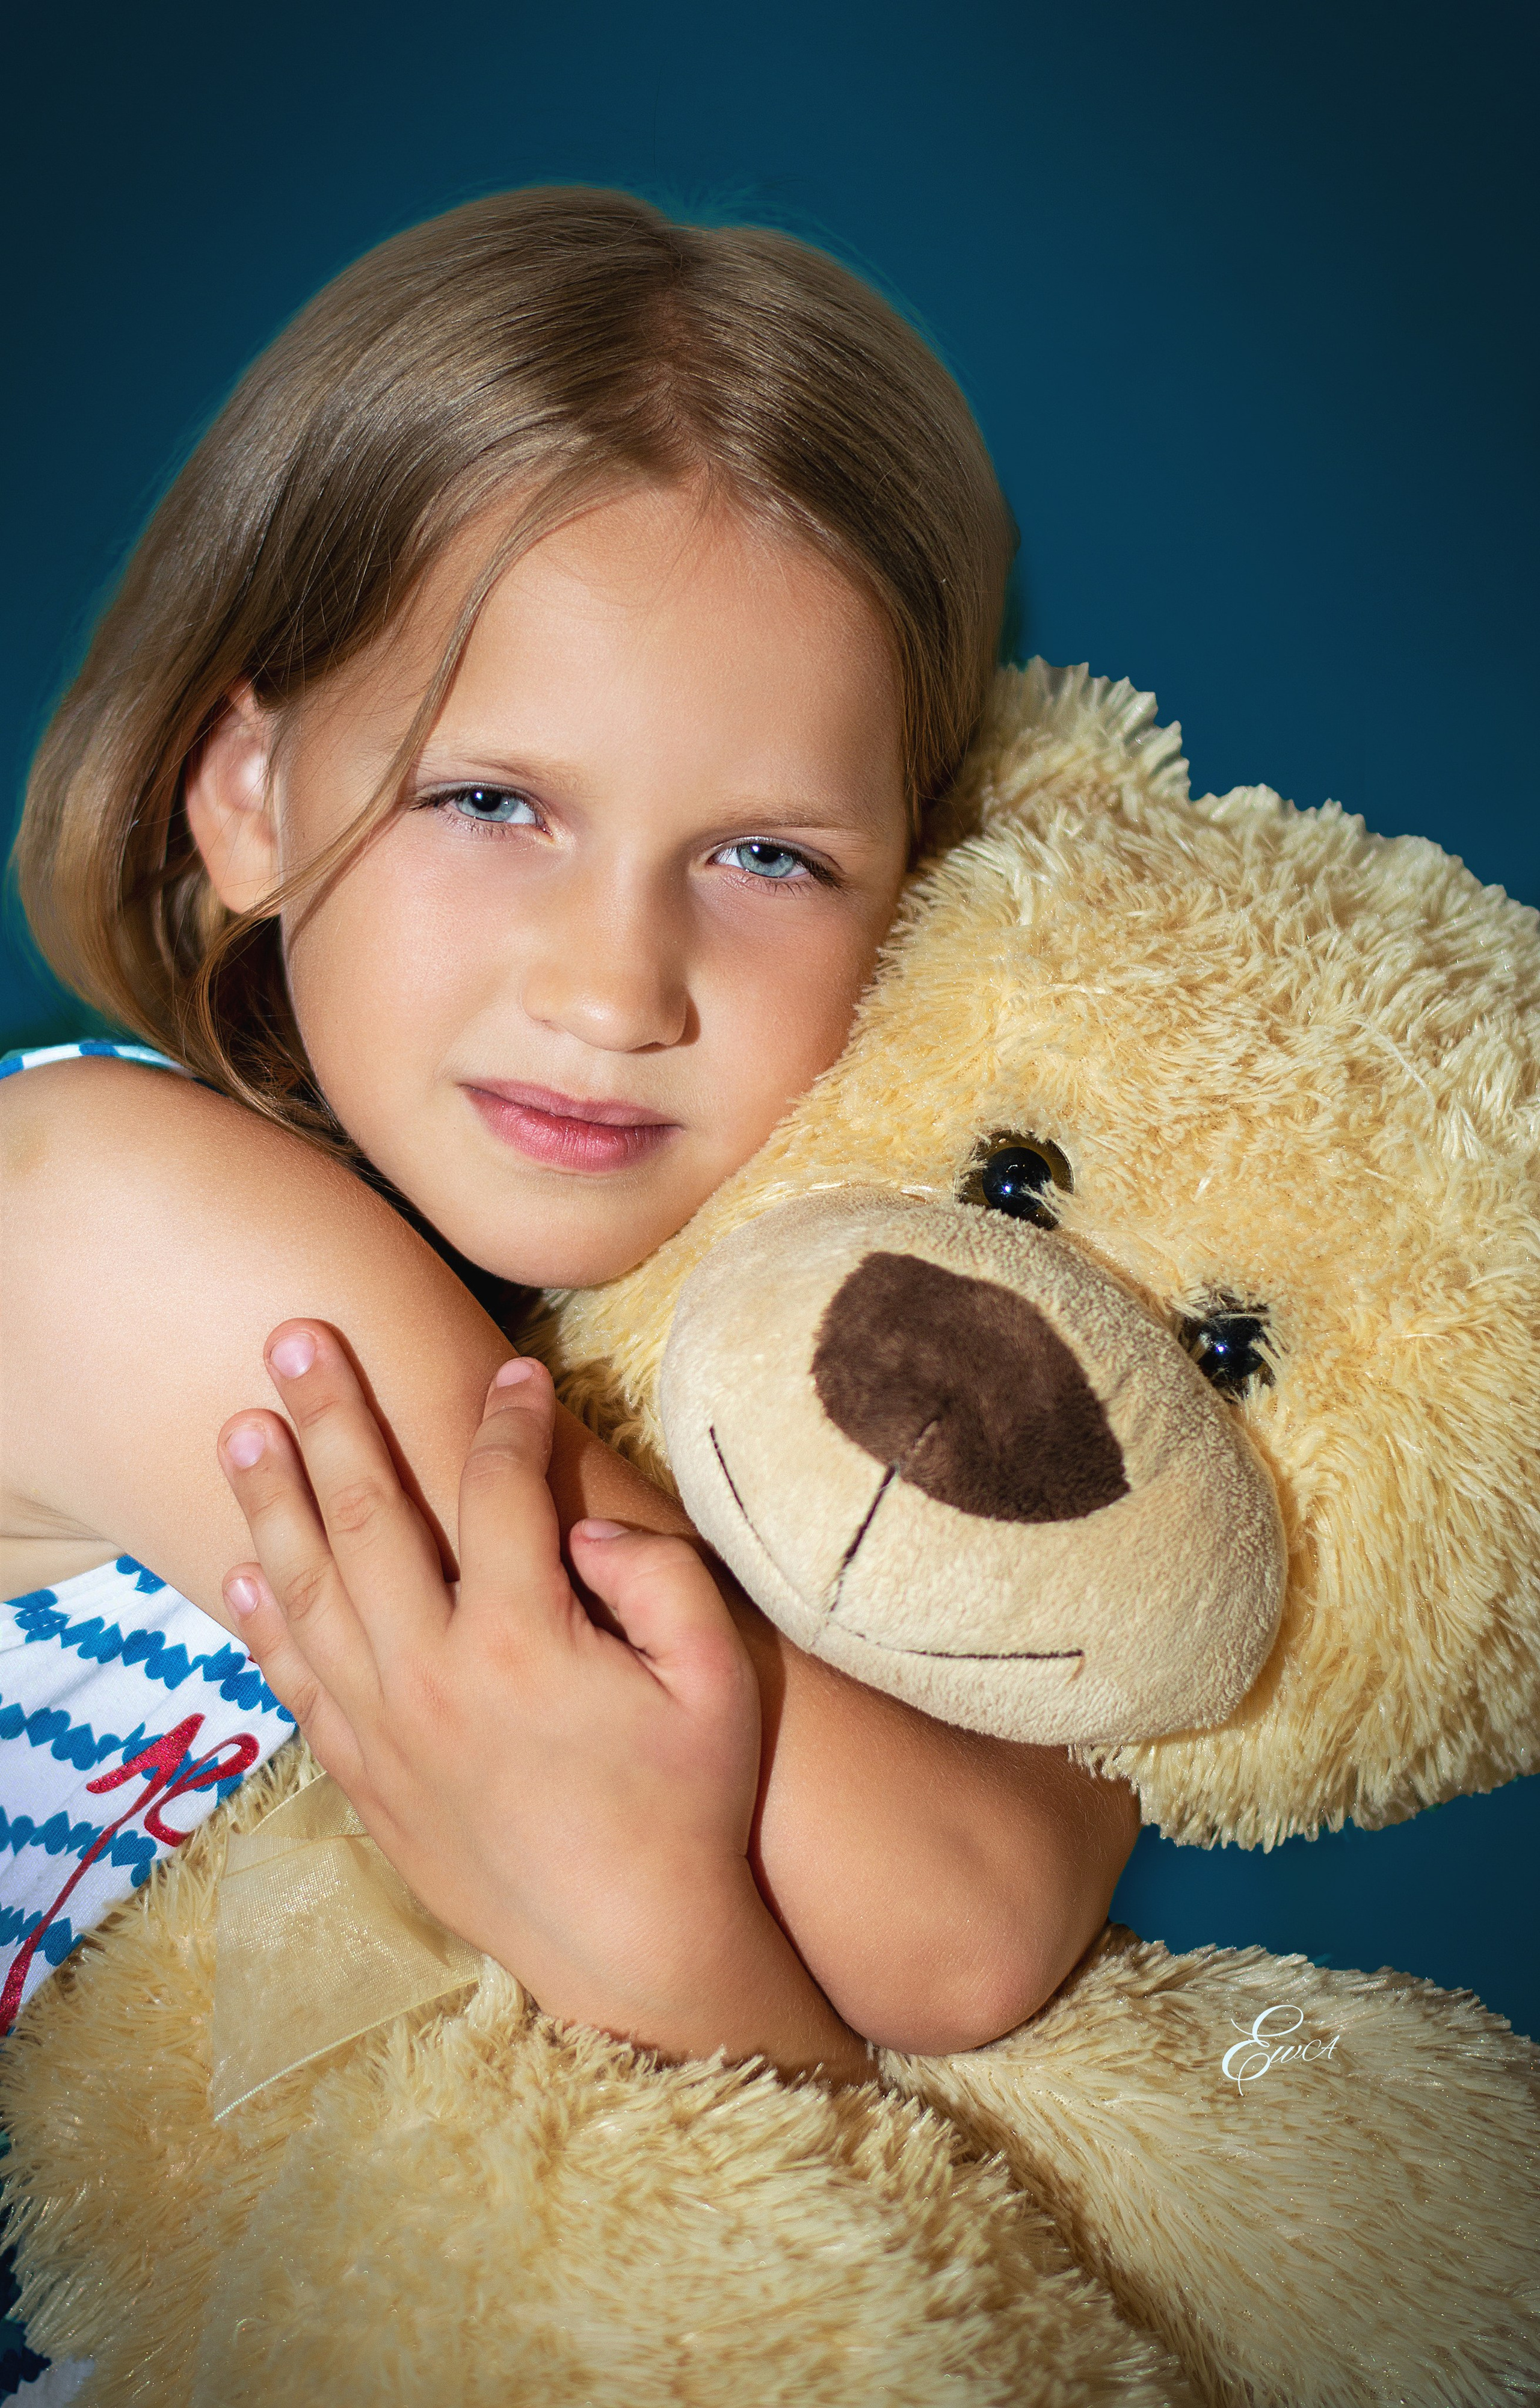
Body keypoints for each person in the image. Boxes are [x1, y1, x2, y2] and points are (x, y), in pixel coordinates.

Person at [0, 187, 1141, 2085]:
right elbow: (963, 1907)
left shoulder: (653, 1371)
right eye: (493, 800)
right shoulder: (107, 1221)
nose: (618, 988)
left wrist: (668, 1941)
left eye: (766, 855)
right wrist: (664, 1929)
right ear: (248, 795)